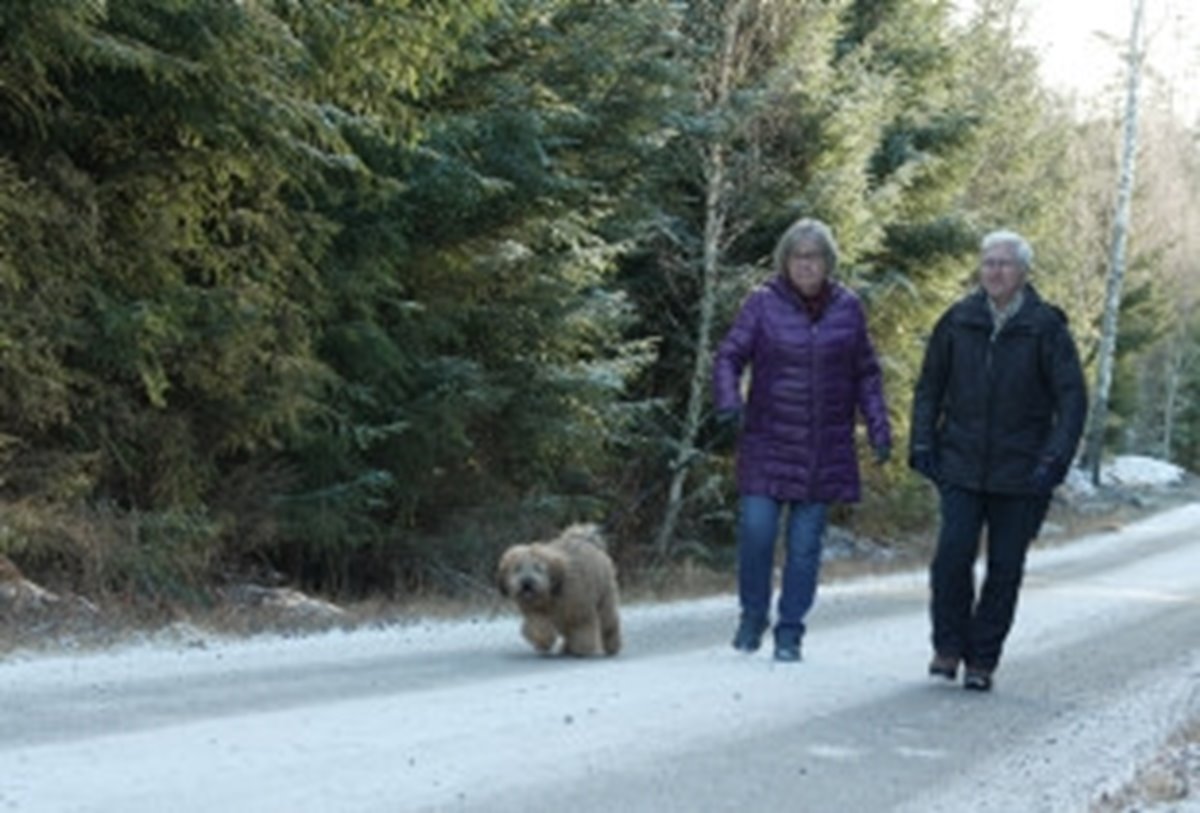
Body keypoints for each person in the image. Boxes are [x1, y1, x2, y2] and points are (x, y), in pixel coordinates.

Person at [909, 229, 1087, 691]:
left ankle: (982, 661)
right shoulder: (957, 320)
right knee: (951, 559)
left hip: (1023, 470)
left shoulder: (1046, 327)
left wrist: (1055, 459)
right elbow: (929, 387)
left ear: (1024, 272)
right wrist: (922, 442)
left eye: (1005, 263)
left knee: (1005, 569)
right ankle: (948, 648)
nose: (995, 271)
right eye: (988, 262)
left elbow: (1072, 399)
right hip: (961, 462)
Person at [712, 217, 892, 662]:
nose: (806, 265)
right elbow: (729, 356)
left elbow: (866, 374)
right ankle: (753, 615)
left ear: (828, 261)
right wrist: (729, 401)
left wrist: (878, 428)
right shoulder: (762, 303)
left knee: (805, 547)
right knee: (756, 534)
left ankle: (790, 631)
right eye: (797, 256)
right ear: (785, 261)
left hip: (823, 449)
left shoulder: (848, 308)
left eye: (814, 257)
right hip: (767, 442)